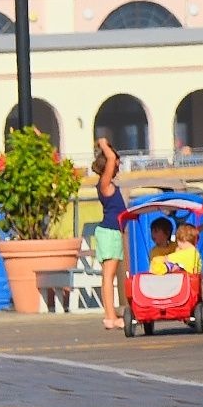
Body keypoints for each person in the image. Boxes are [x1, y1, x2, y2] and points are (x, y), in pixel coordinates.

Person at [90, 138, 127, 331]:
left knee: (108, 276)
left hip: (112, 232)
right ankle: (110, 317)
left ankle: (110, 316)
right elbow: (111, 157)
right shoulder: (104, 184)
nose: (118, 165)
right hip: (109, 232)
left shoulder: (108, 184)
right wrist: (103, 144)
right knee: (108, 276)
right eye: (116, 163)